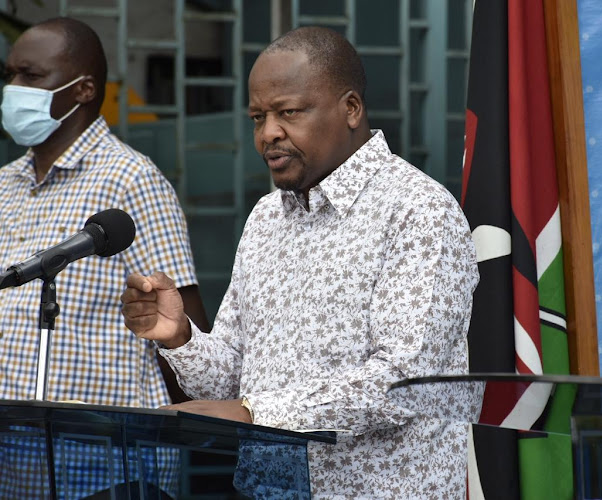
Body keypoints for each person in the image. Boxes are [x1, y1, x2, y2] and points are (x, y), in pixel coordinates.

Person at [122, 26, 479, 499]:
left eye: (288, 112)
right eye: (257, 117)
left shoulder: (417, 210)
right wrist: (182, 336)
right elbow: (233, 377)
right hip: (266, 488)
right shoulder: (267, 217)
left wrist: (255, 413)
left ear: (350, 109)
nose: (268, 133)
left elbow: (405, 383)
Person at [0, 17, 208, 498]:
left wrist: (179, 442)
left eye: (31, 76)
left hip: (110, 459)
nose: (14, 89)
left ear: (83, 89)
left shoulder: (132, 180)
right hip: (16, 461)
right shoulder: (7, 184)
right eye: (10, 75)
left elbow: (184, 326)